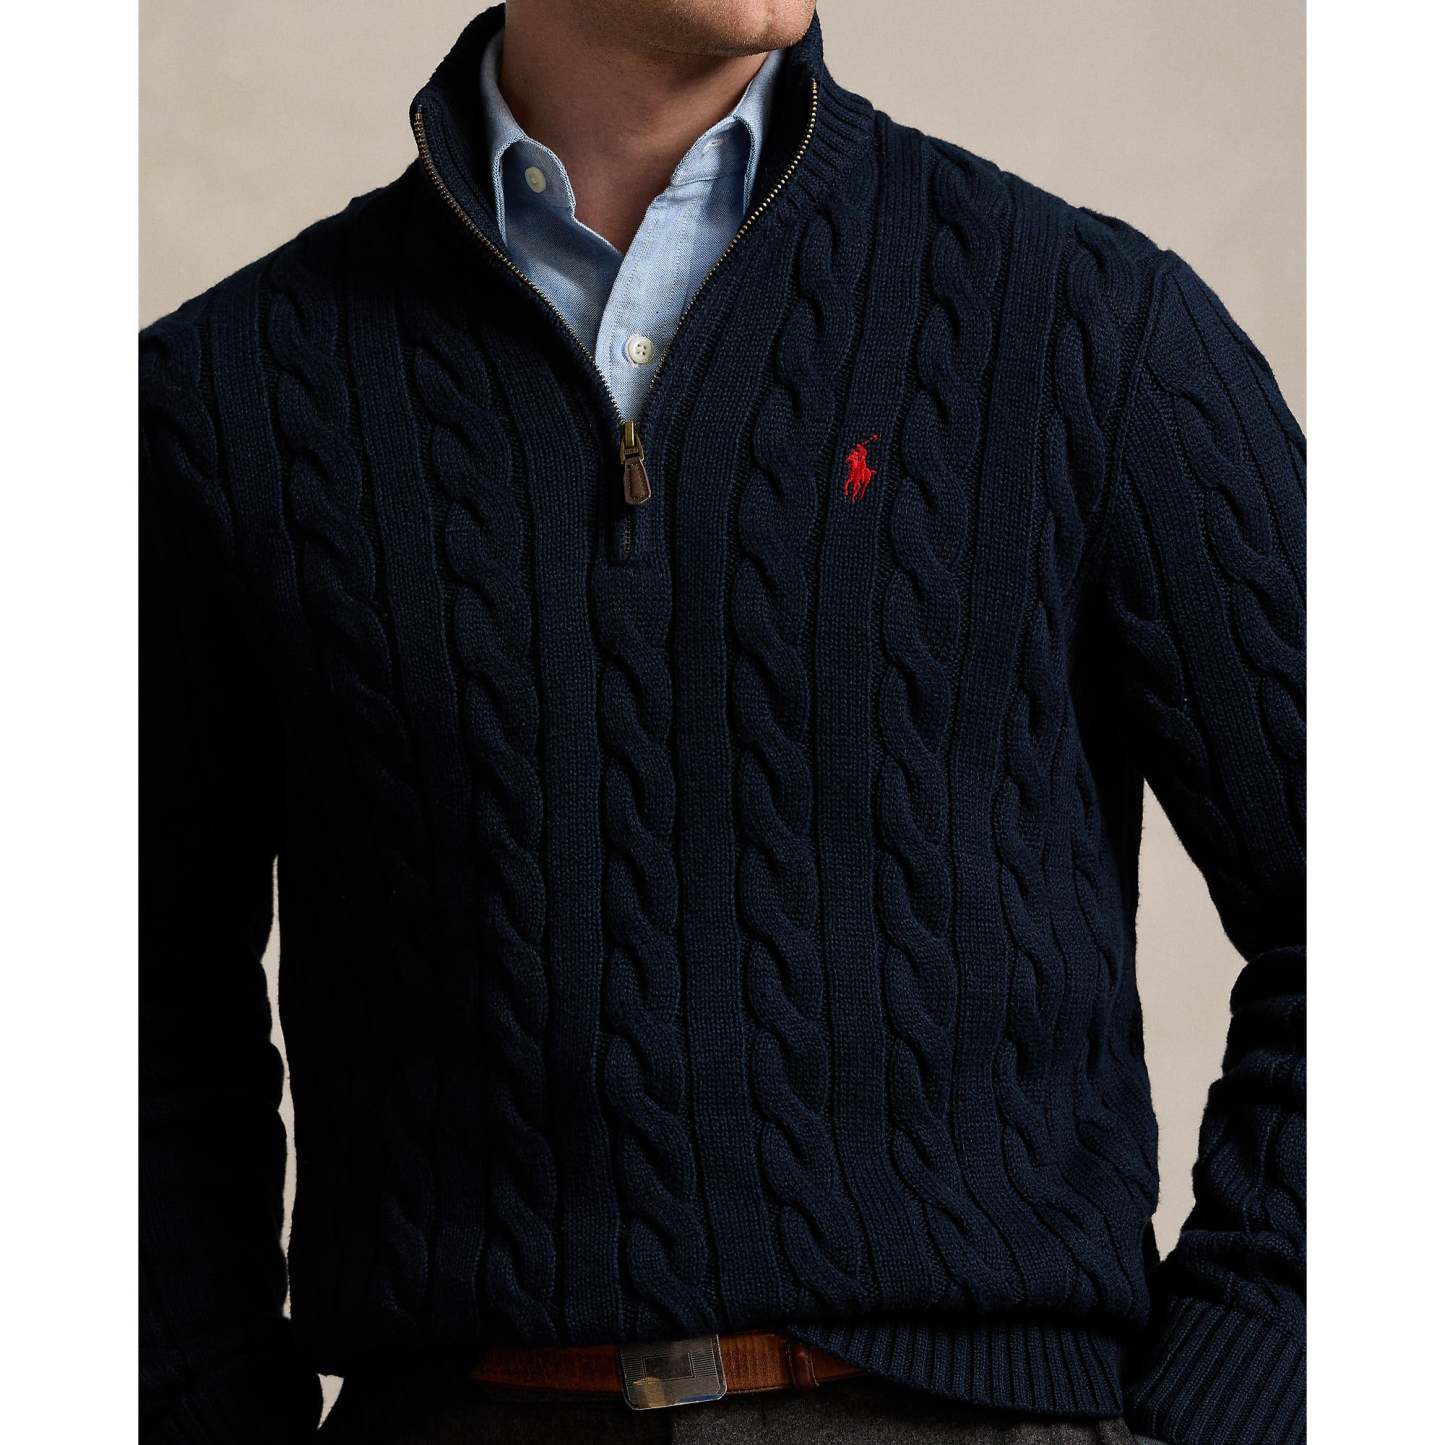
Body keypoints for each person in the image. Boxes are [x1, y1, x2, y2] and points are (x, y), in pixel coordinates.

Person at [139, 2, 1304, 1442]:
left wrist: (1246, 1385)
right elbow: (133, 1012)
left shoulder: (1082, 321)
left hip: (982, 1412)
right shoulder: (221, 399)